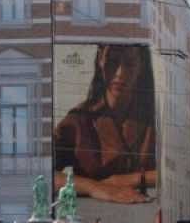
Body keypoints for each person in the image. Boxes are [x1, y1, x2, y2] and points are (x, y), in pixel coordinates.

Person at [54, 45, 158, 204]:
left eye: (129, 64)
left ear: (141, 66)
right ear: (100, 61)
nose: (120, 74)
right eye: (113, 62)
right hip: (90, 219)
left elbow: (179, 171)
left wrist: (131, 179)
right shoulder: (78, 120)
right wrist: (95, 188)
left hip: (148, 214)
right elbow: (43, 173)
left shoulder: (157, 119)